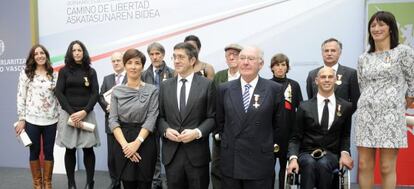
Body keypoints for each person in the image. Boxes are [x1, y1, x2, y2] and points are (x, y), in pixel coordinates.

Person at [356, 11, 414, 189]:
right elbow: (362, 86)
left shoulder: (403, 52)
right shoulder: (363, 58)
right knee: (364, 164)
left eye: (381, 24)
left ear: (391, 28)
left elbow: (412, 82)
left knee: (387, 166)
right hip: (366, 115)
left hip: (391, 117)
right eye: (373, 25)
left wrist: (399, 104)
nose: (376, 28)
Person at [216, 46, 283, 189]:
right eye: (242, 58)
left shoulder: (274, 89)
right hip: (232, 160)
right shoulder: (224, 89)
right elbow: (220, 123)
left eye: (251, 59)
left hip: (260, 161)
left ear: (261, 64)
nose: (245, 62)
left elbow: (279, 125)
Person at [158, 42, 216, 189]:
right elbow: (159, 117)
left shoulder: (206, 85)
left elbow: (212, 117)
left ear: (192, 60)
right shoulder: (165, 86)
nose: (176, 61)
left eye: (181, 57)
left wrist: (197, 132)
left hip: (197, 154)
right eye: (174, 57)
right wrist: (165, 130)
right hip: (172, 154)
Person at [287, 67, 354, 189]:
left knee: (323, 163)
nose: (327, 80)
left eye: (330, 77)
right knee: (309, 163)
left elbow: (345, 135)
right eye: (323, 77)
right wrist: (293, 158)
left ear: (335, 80)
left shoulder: (346, 106)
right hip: (306, 153)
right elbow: (295, 138)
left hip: (331, 154)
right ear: (316, 80)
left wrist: (345, 153)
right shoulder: (304, 106)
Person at [108, 49, 159, 189]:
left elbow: (151, 117)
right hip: (122, 141)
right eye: (129, 63)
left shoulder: (152, 90)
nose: (133, 66)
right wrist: (126, 146)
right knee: (128, 183)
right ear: (124, 66)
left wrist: (137, 143)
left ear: (142, 66)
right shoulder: (117, 91)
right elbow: (112, 120)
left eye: (137, 63)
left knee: (145, 183)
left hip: (145, 141)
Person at [55, 40, 100, 189]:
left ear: (83, 52)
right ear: (70, 53)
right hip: (69, 116)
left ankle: (89, 183)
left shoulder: (91, 71)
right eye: (74, 50)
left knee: (88, 149)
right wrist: (72, 113)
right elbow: (59, 93)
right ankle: (71, 184)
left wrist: (84, 111)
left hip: (86, 115)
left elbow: (95, 94)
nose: (76, 53)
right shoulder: (64, 71)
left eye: (79, 50)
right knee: (70, 149)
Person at [16, 44, 59, 189]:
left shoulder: (54, 74)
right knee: (34, 151)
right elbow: (21, 96)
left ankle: (47, 184)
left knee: (49, 152)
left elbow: (58, 97)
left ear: (46, 55)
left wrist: (61, 117)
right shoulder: (26, 73)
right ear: (33, 57)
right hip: (32, 120)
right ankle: (37, 184)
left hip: (51, 120)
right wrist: (22, 118)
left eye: (42, 53)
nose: (39, 56)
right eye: (36, 54)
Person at [141, 42, 174, 189]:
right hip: (150, 118)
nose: (155, 57)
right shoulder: (143, 74)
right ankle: (156, 182)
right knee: (153, 153)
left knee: (169, 152)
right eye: (152, 54)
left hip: (168, 118)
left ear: (163, 55)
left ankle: (170, 180)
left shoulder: (173, 73)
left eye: (157, 54)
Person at [211, 43, 243, 189]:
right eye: (228, 55)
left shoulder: (246, 75)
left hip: (242, 131)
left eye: (235, 54)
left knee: (239, 167)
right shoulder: (219, 76)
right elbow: (213, 103)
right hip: (221, 130)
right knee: (217, 166)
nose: (231, 57)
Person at [269, 53, 303, 189]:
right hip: (269, 133)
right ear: (272, 67)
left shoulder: (294, 85)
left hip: (289, 133)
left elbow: (300, 109)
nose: (280, 68)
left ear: (287, 67)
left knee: (286, 168)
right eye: (277, 65)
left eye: (283, 65)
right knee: (268, 169)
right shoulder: (266, 84)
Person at [306, 38, 360, 112]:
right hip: (317, 121)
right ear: (322, 53)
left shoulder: (351, 74)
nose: (329, 53)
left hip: (342, 121)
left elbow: (355, 102)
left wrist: (343, 116)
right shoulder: (312, 74)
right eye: (326, 51)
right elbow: (311, 99)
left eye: (333, 51)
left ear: (340, 53)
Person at [98, 52, 126, 189]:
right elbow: (100, 97)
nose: (116, 63)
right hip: (111, 122)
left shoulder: (131, 77)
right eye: (114, 61)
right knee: (112, 156)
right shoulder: (107, 78)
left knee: (126, 153)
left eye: (118, 60)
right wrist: (107, 107)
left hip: (127, 123)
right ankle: (114, 181)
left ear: (124, 61)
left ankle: (126, 180)